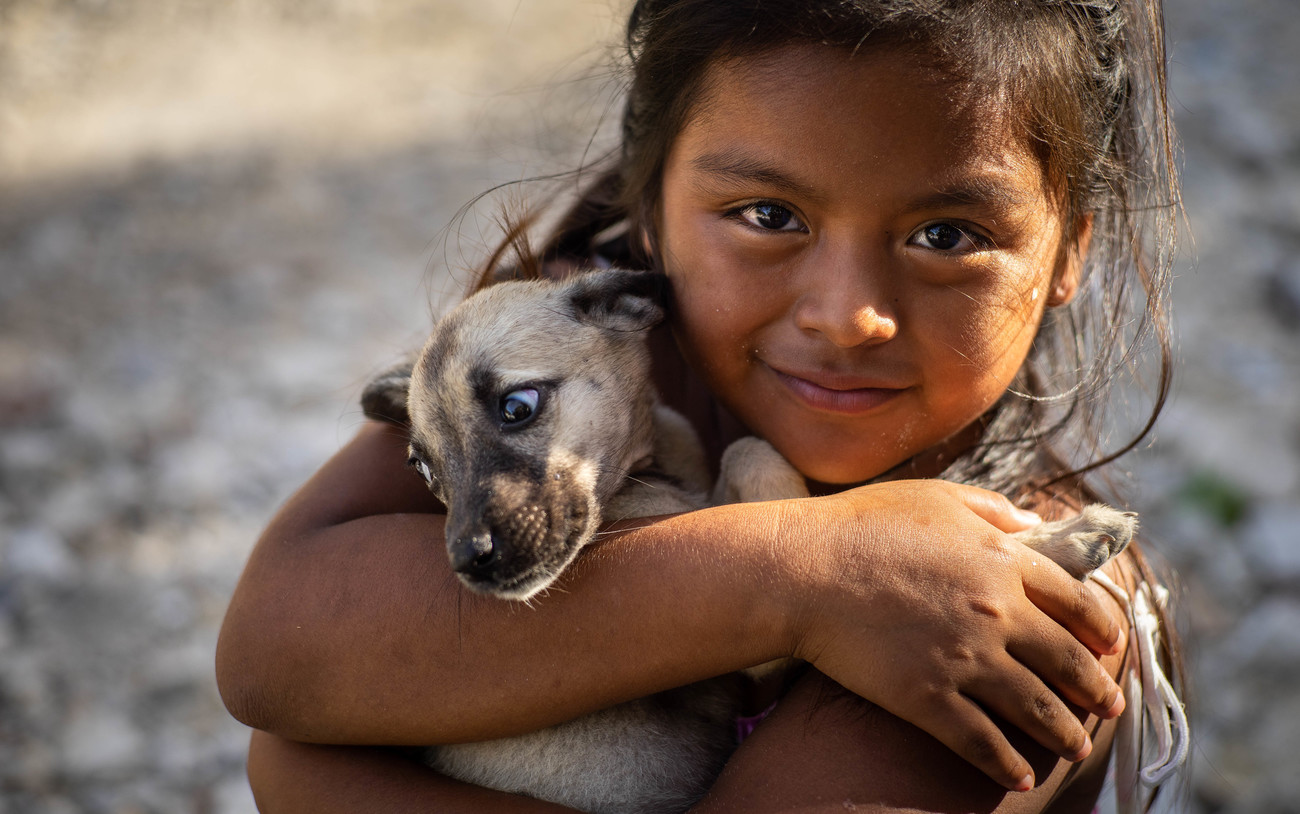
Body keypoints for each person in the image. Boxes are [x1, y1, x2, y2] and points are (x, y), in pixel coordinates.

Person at [215, 1, 1188, 811]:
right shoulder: (596, 351)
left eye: (946, 233)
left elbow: (294, 724)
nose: (846, 317)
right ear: (646, 207)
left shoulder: (1023, 601)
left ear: (1068, 250)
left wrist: (319, 774)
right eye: (768, 217)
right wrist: (801, 578)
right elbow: (271, 651)